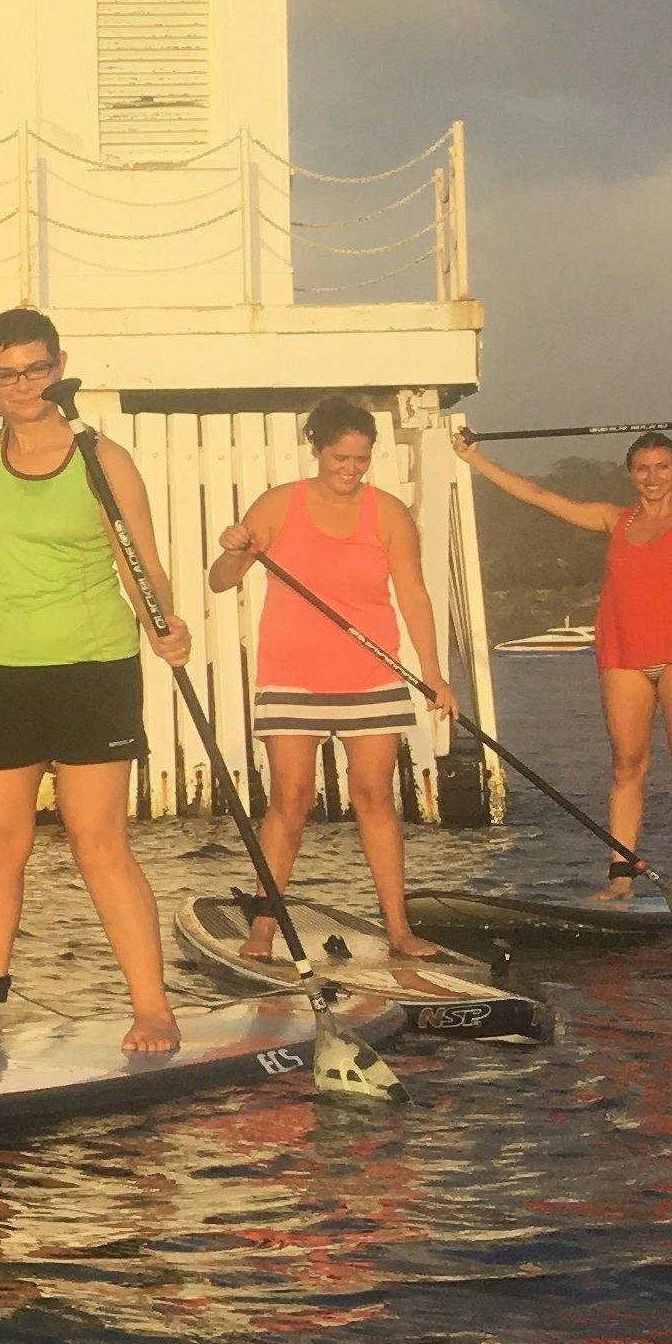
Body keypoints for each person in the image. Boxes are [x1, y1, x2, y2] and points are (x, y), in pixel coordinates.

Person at [0, 308, 189, 1049]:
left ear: (58, 367)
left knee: (98, 842)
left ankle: (152, 1008)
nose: (23, 385)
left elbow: (139, 558)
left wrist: (165, 625)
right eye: (7, 371)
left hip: (93, 667)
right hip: (2, 667)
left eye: (37, 369)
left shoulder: (99, 457)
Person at [205, 397, 454, 963]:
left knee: (375, 799)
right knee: (290, 801)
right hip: (291, 677)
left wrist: (434, 674)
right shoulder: (277, 505)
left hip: (373, 675)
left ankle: (398, 930)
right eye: (340, 457)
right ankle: (264, 931)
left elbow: (413, 595)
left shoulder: (387, 512)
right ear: (316, 449)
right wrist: (233, 549)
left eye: (361, 459)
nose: (351, 469)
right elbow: (222, 581)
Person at [449, 422, 672, 900]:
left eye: (662, 467)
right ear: (630, 474)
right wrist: (475, 460)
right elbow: (539, 497)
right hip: (624, 656)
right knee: (626, 766)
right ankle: (621, 879)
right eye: (642, 469)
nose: (652, 476)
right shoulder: (612, 519)